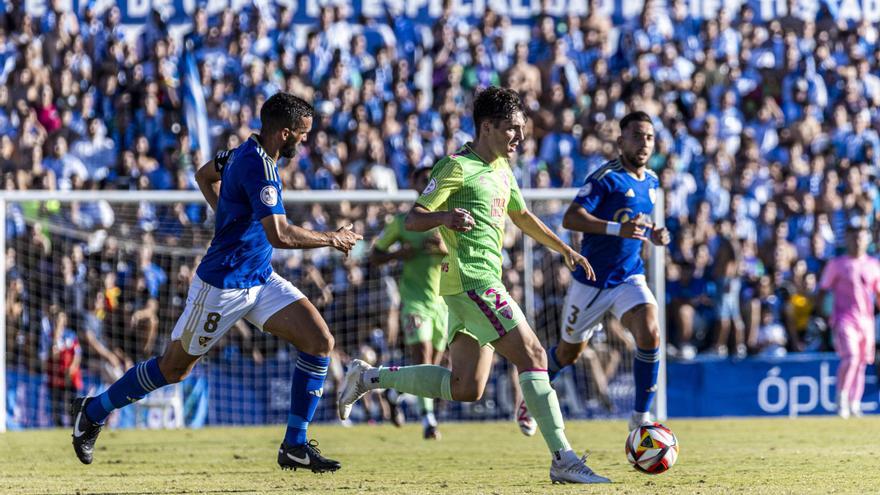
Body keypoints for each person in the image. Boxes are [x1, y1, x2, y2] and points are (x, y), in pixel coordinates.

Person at [70, 92, 362, 472]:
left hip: (259, 277)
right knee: (174, 369)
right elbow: (280, 235)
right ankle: (93, 410)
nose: (306, 142)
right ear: (285, 133)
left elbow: (204, 174)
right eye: (303, 135)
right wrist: (332, 238)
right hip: (223, 286)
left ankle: (294, 444)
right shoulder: (261, 168)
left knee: (319, 341)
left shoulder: (240, 152)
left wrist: (227, 216)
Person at [338, 86, 610, 484]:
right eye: (512, 129)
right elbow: (414, 219)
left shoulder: (502, 167)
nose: (519, 137)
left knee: (466, 388)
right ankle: (563, 458)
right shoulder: (456, 167)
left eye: (521, 129)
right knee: (534, 354)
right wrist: (446, 217)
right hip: (473, 282)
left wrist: (564, 249)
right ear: (487, 127)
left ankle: (368, 377)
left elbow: (522, 216)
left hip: (471, 285)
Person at [516, 111, 671, 435]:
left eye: (649, 137)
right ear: (620, 141)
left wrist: (653, 233)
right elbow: (572, 218)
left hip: (629, 276)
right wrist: (618, 229)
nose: (644, 143)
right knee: (568, 353)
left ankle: (640, 416)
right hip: (591, 280)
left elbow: (636, 224)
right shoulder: (605, 178)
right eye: (637, 136)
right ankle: (529, 401)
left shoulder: (653, 181)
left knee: (650, 333)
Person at [369, 166, 449, 439]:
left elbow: (462, 257)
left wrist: (443, 250)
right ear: (414, 184)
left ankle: (395, 392)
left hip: (442, 304)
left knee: (433, 369)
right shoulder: (403, 222)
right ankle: (429, 422)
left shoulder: (446, 222)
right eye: (422, 178)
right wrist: (400, 253)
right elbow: (375, 255)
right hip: (414, 301)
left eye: (431, 178)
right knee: (424, 359)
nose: (427, 182)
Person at [818, 217, 880, 419]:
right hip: (844, 319)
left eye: (861, 236)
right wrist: (824, 315)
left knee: (862, 362)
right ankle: (841, 398)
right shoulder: (837, 264)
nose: (857, 241)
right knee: (851, 358)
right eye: (853, 237)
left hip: (866, 321)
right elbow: (823, 290)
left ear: (867, 239)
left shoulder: (873, 265)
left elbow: (877, 294)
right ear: (847, 239)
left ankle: (855, 403)